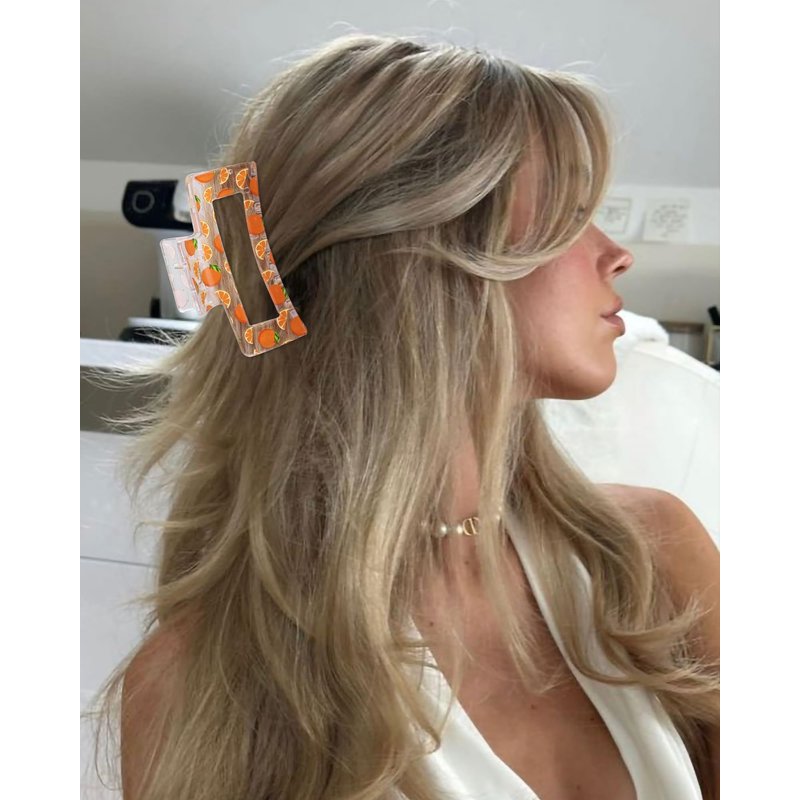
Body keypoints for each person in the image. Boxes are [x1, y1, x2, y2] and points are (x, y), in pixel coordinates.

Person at [82, 32, 720, 800]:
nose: (616, 254)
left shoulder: (650, 559)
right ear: (416, 260)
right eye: (570, 212)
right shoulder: (202, 687)